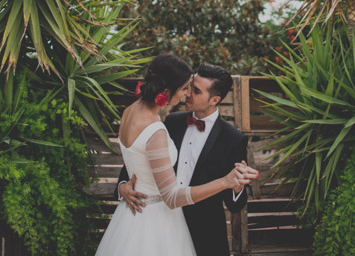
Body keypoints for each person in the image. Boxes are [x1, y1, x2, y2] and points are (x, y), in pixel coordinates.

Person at [94, 55, 257, 256]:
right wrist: (122, 187)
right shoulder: (170, 122)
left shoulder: (233, 139)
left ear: (215, 100)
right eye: (188, 87)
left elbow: (236, 204)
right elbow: (137, 163)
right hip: (156, 224)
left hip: (204, 233)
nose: (187, 94)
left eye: (195, 91)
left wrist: (236, 185)